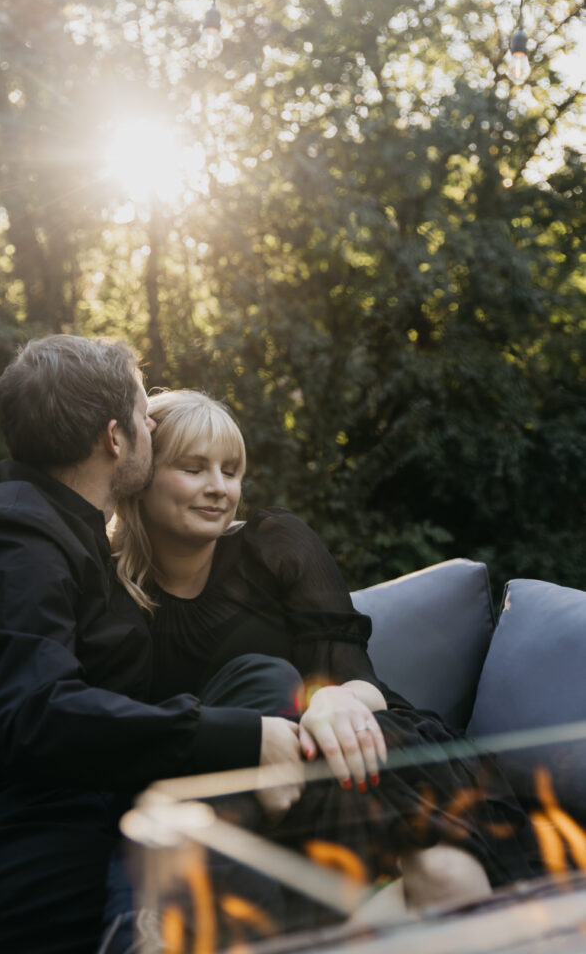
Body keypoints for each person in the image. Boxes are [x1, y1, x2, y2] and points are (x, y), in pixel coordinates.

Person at [0, 337, 301, 954]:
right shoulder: (11, 538)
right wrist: (241, 739)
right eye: (146, 415)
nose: (153, 424)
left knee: (260, 679)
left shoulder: (77, 532)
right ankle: (140, 929)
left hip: (85, 803)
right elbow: (37, 717)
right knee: (235, 872)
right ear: (115, 438)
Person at [112, 388, 541, 925]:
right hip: (233, 796)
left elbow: (362, 681)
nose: (219, 489)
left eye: (231, 470)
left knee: (450, 879)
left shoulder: (275, 546)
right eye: (194, 468)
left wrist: (334, 699)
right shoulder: (108, 593)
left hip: (345, 747)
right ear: (142, 474)